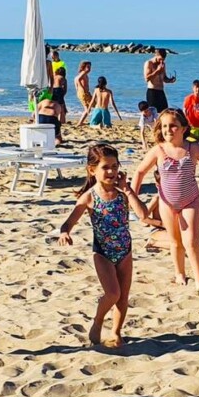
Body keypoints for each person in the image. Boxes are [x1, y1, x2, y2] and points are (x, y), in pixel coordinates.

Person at [132, 109, 199, 292]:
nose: (168, 130)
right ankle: (180, 274)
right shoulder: (158, 150)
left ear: (183, 128)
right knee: (175, 242)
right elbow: (140, 172)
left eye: (173, 126)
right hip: (167, 203)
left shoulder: (193, 149)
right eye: (164, 126)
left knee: (191, 242)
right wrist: (132, 194)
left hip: (190, 201)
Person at [58, 144, 149, 347]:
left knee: (123, 298)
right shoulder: (90, 196)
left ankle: (116, 332)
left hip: (125, 251)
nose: (111, 171)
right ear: (92, 170)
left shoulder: (123, 193)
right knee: (112, 293)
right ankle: (98, 320)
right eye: (106, 167)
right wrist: (65, 232)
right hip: (102, 253)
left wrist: (128, 189)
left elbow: (143, 215)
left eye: (115, 166)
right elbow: (70, 221)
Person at [143, 48, 176, 112]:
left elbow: (164, 78)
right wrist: (157, 71)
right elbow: (146, 78)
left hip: (161, 91)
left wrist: (170, 80)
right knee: (154, 113)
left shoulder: (163, 64)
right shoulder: (149, 63)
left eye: (163, 59)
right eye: (160, 59)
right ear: (156, 55)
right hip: (152, 91)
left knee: (164, 111)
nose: (161, 61)